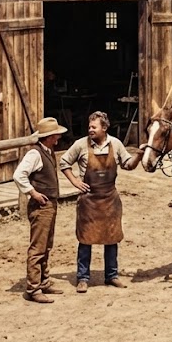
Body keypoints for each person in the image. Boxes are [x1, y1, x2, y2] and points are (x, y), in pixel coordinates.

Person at [59, 111, 145, 293]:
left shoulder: (116, 144)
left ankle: (111, 275)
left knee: (111, 238)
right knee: (85, 239)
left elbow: (128, 165)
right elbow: (64, 162)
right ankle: (83, 278)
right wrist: (75, 182)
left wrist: (138, 155)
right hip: (89, 201)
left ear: (104, 128)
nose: (90, 130)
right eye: (89, 127)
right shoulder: (81, 145)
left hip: (110, 200)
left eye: (94, 127)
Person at [13, 116, 68, 304]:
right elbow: (19, 175)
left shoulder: (48, 151)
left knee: (47, 245)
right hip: (41, 206)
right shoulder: (35, 154)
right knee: (37, 247)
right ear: (48, 137)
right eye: (55, 136)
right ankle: (33, 288)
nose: (58, 139)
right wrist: (33, 193)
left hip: (50, 204)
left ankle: (44, 282)